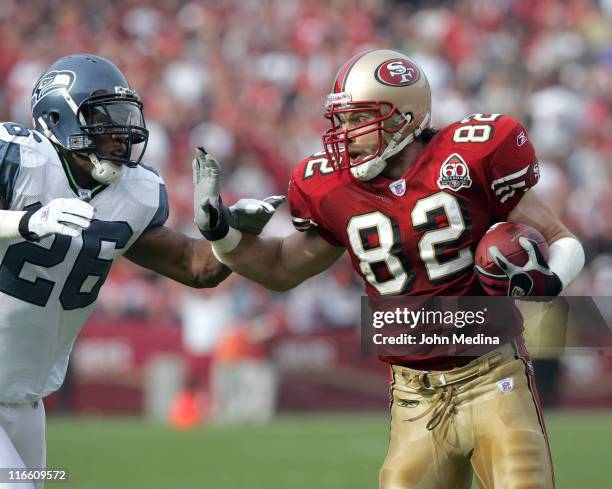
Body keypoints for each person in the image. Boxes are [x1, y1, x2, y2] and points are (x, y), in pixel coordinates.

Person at [193, 49, 586, 488]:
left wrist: (548, 282)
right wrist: (221, 233)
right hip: (413, 398)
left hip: (494, 379)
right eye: (339, 122)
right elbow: (282, 267)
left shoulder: (470, 154)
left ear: (403, 117)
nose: (344, 135)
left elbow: (560, 238)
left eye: (356, 119)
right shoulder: (333, 188)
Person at [0, 53, 279, 488]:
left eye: (123, 116)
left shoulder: (132, 194)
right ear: (56, 117)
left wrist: (225, 231)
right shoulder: (20, 159)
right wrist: (24, 222)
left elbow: (196, 268)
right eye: (102, 118)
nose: (119, 132)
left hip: (24, 400)